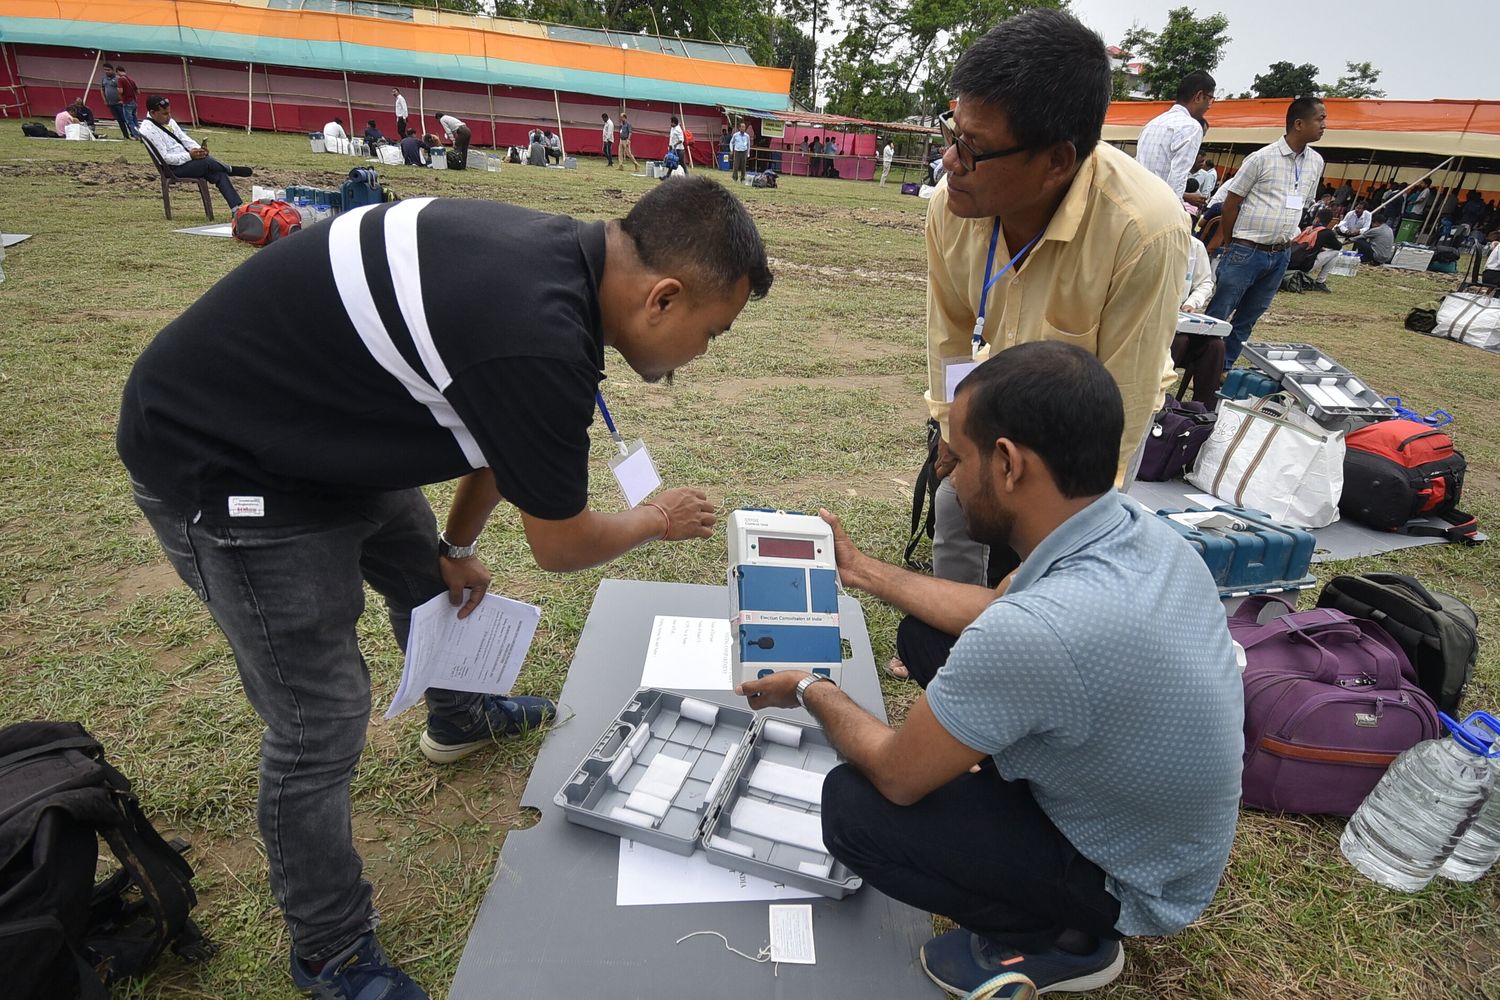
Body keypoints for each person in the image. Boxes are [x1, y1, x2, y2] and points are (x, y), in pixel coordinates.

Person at [117, 177, 773, 999]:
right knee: (319, 720)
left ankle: (458, 714)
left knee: (425, 575)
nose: (703, 354)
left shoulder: (560, 266)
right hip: (227, 462)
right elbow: (561, 544)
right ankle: (328, 948)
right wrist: (652, 518)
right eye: (712, 333)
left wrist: (456, 545)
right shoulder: (539, 337)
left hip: (320, 425)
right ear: (664, 297)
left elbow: (499, 428)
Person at [737, 341, 1242, 996]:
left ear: (1007, 463)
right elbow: (986, 608)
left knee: (853, 809)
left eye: (957, 456)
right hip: (1159, 830)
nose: (948, 477)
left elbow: (896, 776)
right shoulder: (1131, 529)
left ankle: (1061, 940)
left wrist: (810, 687)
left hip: (1133, 881)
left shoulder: (1039, 631)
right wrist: (859, 570)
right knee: (924, 635)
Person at [920, 10, 1188, 594]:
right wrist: (952, 429)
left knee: (1060, 569)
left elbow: (1126, 394)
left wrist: (1075, 537)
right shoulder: (951, 207)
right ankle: (956, 632)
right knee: (954, 510)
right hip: (995, 391)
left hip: (1089, 425)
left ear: (1056, 162)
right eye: (952, 133)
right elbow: (952, 333)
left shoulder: (1144, 229)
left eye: (974, 148)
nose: (950, 162)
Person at [1204, 96, 1326, 369]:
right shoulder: (1261, 158)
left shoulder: (1316, 162)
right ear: (1298, 124)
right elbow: (1231, 202)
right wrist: (1232, 243)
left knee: (1248, 317)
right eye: (1320, 119)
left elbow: (1304, 201)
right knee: (1219, 313)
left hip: (1280, 254)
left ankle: (1223, 367)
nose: (1324, 125)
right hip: (1246, 249)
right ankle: (1199, 365)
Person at [137, 96, 252, 211]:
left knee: (218, 172)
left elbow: (184, 139)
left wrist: (198, 150)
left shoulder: (170, 121)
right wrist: (190, 156)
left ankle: (236, 209)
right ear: (153, 113)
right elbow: (165, 158)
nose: (169, 116)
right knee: (206, 162)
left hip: (186, 161)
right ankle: (229, 169)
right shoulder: (148, 129)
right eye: (165, 114)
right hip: (171, 168)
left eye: (169, 113)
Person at [1134, 70, 1216, 203]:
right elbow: (1177, 179)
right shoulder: (1191, 127)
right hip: (1159, 204)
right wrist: (1177, 210)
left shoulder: (1153, 123)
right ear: (1199, 96)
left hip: (1137, 198)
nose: (1209, 106)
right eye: (1210, 99)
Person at [1171, 225, 1221, 403]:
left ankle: (1203, 410)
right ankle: (1154, 401)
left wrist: (1192, 303)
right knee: (1179, 341)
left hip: (1180, 316)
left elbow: (1205, 283)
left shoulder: (1195, 246)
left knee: (1215, 346)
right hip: (1150, 323)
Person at [1289, 207, 1342, 288]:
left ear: (1317, 218)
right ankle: (1320, 281)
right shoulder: (1327, 233)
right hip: (1304, 266)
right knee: (1336, 252)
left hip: (1290, 262)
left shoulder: (1307, 229)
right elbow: (1338, 246)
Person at [100, 63, 133, 138]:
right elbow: (102, 89)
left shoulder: (118, 79)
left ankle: (133, 134)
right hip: (111, 103)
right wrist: (105, 100)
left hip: (120, 103)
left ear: (112, 70)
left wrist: (122, 100)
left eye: (108, 70)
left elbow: (124, 90)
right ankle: (126, 136)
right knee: (119, 120)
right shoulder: (104, 79)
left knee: (125, 119)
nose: (107, 71)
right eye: (105, 70)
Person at [115, 64, 139, 135]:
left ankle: (135, 135)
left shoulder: (120, 79)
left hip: (127, 101)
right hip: (134, 101)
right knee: (135, 119)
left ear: (118, 72)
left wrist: (119, 95)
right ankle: (139, 133)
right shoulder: (131, 80)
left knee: (129, 120)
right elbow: (138, 91)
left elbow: (120, 91)